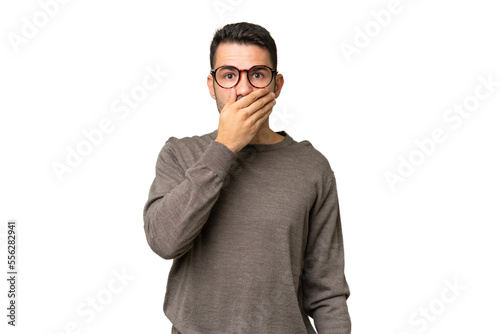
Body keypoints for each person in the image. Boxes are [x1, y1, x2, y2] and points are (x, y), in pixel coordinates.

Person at [143, 22, 351, 334]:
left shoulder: (312, 167)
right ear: (212, 86)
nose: (242, 89)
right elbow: (164, 241)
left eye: (257, 74)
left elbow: (326, 289)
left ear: (276, 85)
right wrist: (224, 147)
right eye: (229, 75)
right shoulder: (180, 154)